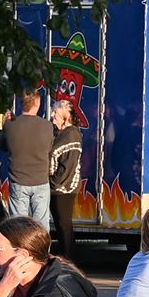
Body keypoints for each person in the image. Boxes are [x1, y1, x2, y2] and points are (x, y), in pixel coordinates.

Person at [1, 91, 54, 227]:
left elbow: (2, 145)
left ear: (21, 104)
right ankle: (41, 248)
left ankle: (21, 248)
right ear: (37, 104)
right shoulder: (47, 126)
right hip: (40, 180)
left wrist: (4, 125)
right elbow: (49, 148)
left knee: (18, 226)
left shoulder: (10, 125)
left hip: (18, 180)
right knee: (41, 225)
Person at [46, 98, 84, 258]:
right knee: (61, 225)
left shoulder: (71, 134)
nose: (53, 116)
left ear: (65, 116)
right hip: (61, 186)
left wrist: (53, 181)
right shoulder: (64, 133)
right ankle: (67, 256)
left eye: (56, 113)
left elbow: (61, 160)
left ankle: (70, 258)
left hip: (64, 188)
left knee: (64, 224)